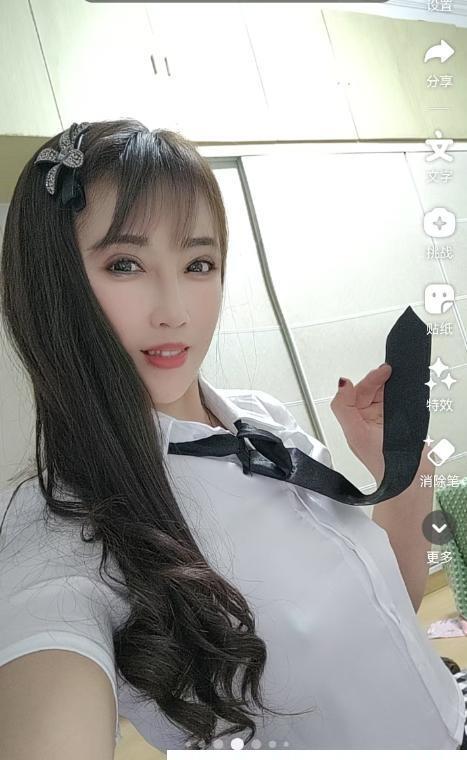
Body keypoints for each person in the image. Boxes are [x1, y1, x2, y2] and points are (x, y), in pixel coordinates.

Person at [0, 119, 466, 753]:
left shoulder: (263, 418)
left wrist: (401, 464)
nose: (175, 311)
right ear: (54, 286)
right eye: (125, 264)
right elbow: (48, 693)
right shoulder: (61, 520)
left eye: (198, 263)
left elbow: (386, 614)